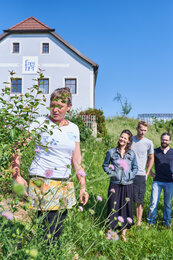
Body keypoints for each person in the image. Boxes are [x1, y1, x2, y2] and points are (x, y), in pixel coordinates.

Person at [11, 87, 89, 244]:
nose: (55, 109)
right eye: (52, 105)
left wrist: (82, 186)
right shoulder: (39, 123)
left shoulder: (74, 128)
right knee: (47, 230)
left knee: (58, 228)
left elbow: (77, 160)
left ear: (69, 107)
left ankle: (52, 254)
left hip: (65, 183)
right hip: (42, 181)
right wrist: (16, 175)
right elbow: (17, 147)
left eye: (60, 106)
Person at [102, 129, 138, 241]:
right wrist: (112, 173)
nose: (122, 139)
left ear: (128, 141)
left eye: (125, 138)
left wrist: (130, 176)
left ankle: (123, 233)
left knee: (126, 208)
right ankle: (109, 232)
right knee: (113, 207)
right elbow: (105, 165)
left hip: (128, 185)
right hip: (115, 184)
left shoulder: (131, 154)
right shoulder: (111, 152)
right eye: (121, 137)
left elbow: (135, 167)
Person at [147, 133, 173, 228]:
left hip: (170, 182)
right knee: (153, 203)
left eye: (166, 140)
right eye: (163, 139)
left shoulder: (172, 152)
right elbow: (148, 161)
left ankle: (167, 222)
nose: (164, 141)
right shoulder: (155, 151)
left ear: (169, 141)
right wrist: (151, 173)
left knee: (167, 204)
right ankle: (151, 222)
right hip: (157, 181)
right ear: (160, 139)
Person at [131, 121, 154, 226]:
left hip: (141, 175)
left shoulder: (149, 143)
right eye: (141, 129)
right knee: (128, 199)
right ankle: (128, 220)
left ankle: (139, 223)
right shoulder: (130, 140)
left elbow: (151, 158)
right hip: (129, 175)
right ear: (137, 128)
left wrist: (147, 173)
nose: (142, 132)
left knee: (139, 201)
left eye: (145, 130)